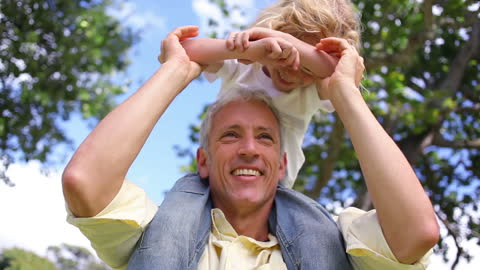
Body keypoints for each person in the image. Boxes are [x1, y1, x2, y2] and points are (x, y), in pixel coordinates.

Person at [62, 25, 439, 270]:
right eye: (229, 135)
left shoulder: (334, 242)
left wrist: (345, 92)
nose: (248, 149)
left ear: (282, 165)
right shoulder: (153, 233)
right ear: (203, 161)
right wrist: (176, 70)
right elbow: (84, 182)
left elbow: (417, 233)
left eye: (265, 137)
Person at [179, 0, 362, 189]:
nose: (293, 71)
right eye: (285, 57)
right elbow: (182, 51)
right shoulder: (244, 66)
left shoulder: (313, 91)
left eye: (307, 67)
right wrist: (248, 50)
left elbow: (341, 71)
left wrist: (285, 41)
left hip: (275, 191)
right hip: (216, 178)